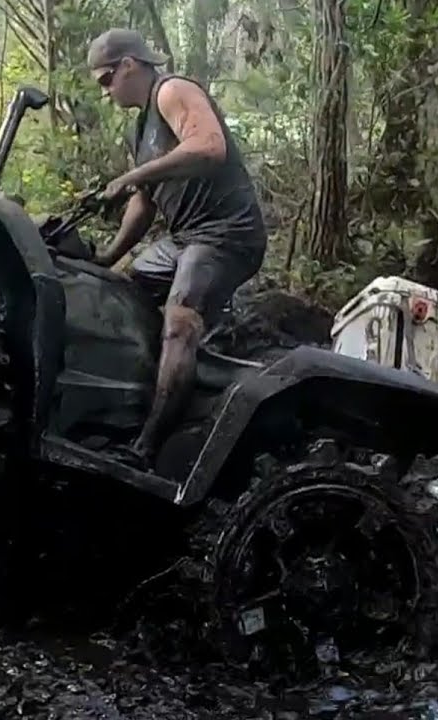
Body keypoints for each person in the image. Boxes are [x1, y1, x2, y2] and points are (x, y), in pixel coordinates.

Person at [86, 27, 274, 467]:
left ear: (129, 66)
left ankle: (147, 448)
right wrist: (106, 260)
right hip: (185, 238)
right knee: (124, 296)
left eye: (106, 80)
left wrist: (132, 176)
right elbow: (144, 204)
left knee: (179, 320)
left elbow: (209, 147)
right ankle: (154, 398)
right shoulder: (140, 131)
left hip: (226, 233)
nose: (106, 92)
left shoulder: (172, 91)